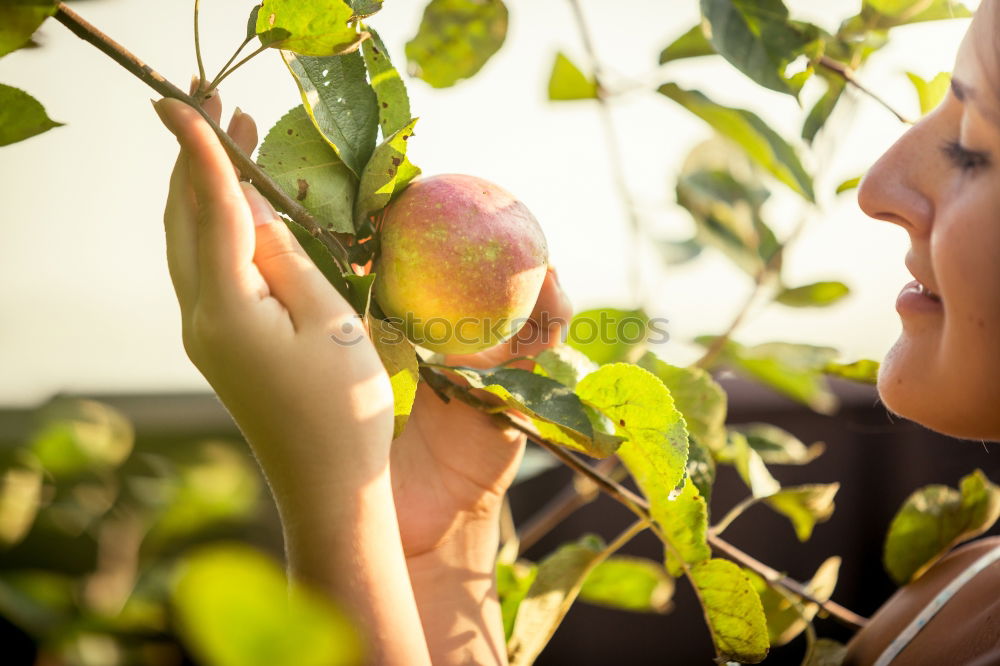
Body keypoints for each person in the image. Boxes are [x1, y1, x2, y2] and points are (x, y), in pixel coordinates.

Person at [151, 0, 1000, 663]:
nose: (879, 184)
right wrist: (438, 542)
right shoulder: (965, 586)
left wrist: (330, 496)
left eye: (969, 143)